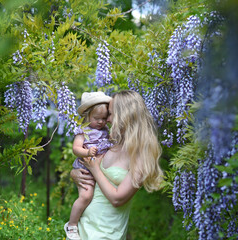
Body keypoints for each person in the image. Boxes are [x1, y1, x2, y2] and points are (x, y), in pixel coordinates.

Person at [70, 90, 164, 240]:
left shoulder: (140, 155)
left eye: (110, 114)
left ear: (124, 116)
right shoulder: (110, 143)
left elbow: (117, 199)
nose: (106, 120)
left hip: (106, 233)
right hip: (83, 227)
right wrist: (74, 174)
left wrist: (95, 170)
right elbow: (87, 164)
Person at [64, 91, 113, 240]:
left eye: (104, 119)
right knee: (86, 196)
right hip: (85, 168)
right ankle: (72, 225)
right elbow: (75, 149)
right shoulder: (83, 130)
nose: (100, 122)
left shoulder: (105, 130)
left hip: (100, 168)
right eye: (96, 118)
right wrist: (87, 152)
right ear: (86, 117)